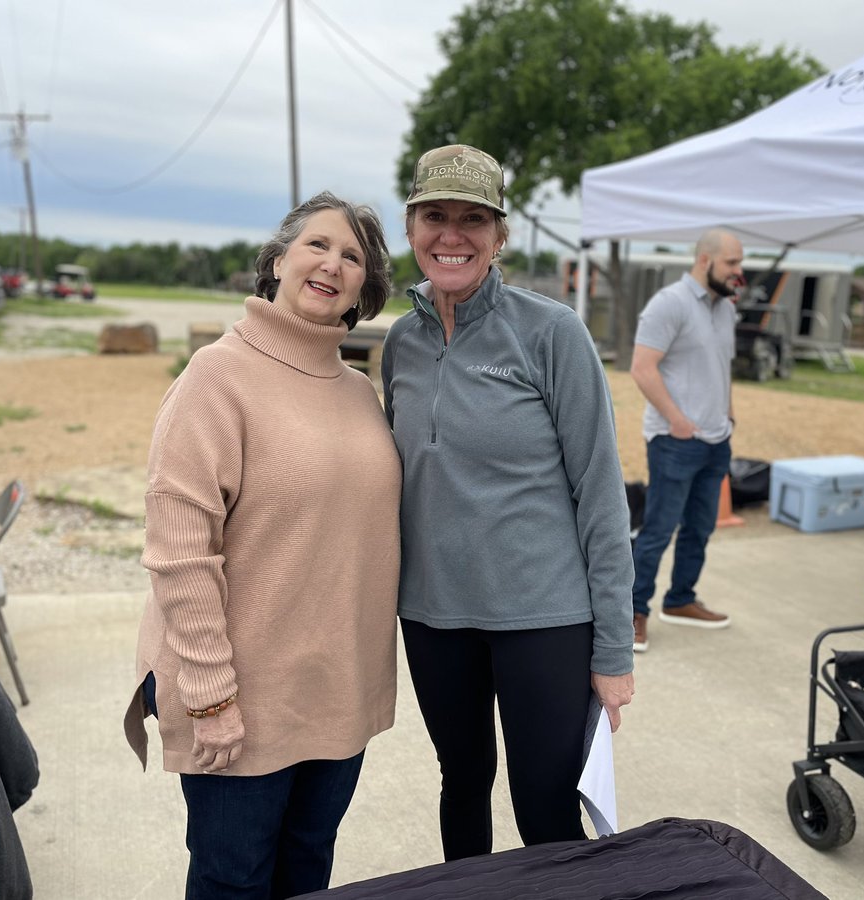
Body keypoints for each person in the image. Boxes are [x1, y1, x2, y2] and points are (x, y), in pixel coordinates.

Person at [123, 191, 401, 899]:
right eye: (317, 245)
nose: (332, 264)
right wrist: (212, 696)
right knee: (234, 879)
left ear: (362, 293)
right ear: (277, 261)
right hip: (238, 690)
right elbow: (181, 552)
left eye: (352, 258)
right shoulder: (218, 376)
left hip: (334, 687)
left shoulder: (358, 391)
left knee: (308, 866)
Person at [382, 144, 634, 861]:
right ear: (411, 227)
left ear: (500, 236)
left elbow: (601, 496)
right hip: (433, 618)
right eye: (436, 216)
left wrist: (613, 648)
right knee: (461, 784)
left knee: (545, 808)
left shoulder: (552, 333)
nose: (452, 235)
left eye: (473, 219)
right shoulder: (400, 342)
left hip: (543, 620)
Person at [629, 229, 741, 652]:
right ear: (705, 260)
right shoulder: (669, 304)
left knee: (700, 527)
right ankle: (633, 611)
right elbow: (643, 368)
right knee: (659, 528)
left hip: (716, 439)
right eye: (732, 262)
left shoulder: (726, 308)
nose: (738, 271)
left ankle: (680, 600)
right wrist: (677, 420)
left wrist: (728, 413)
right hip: (675, 440)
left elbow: (721, 367)